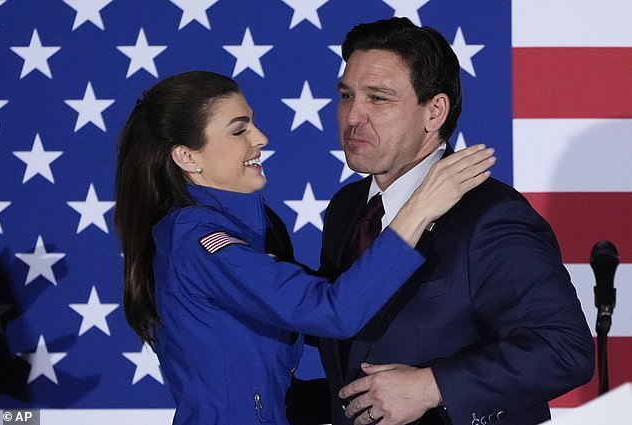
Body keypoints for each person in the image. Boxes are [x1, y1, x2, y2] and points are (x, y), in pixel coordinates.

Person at [113, 70, 495, 425]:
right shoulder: (198, 243)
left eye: (252, 123)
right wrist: (420, 208)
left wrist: (421, 390)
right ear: (187, 156)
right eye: (238, 130)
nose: (259, 138)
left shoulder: (231, 232)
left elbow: (266, 388)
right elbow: (331, 310)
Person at [313, 18, 595, 425]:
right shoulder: (347, 209)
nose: (352, 115)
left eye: (378, 98)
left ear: (434, 111)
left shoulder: (491, 215)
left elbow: (564, 349)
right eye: (345, 95)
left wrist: (432, 386)